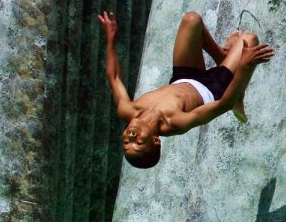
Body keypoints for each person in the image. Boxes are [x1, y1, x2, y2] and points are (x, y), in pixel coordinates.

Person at [100, 10, 275, 169]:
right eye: (138, 142)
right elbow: (223, 104)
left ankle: (222, 56)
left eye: (125, 143)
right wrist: (244, 66)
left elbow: (113, 77)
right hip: (212, 87)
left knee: (192, 20)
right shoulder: (175, 122)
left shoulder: (127, 110)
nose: (130, 137)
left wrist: (110, 39)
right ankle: (239, 92)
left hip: (183, 77)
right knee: (249, 40)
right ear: (155, 140)